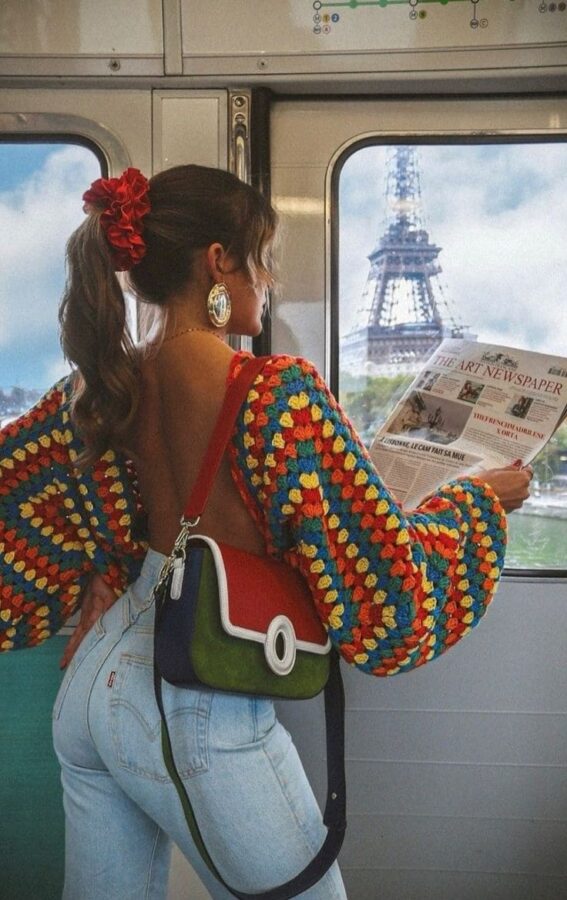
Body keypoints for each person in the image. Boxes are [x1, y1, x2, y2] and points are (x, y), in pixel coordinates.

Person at [0, 165, 532, 899]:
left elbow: (23, 495)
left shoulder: (98, 387)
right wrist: (477, 502)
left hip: (95, 686)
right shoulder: (278, 394)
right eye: (262, 257)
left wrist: (102, 564)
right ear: (219, 261)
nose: (269, 278)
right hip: (193, 701)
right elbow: (387, 576)